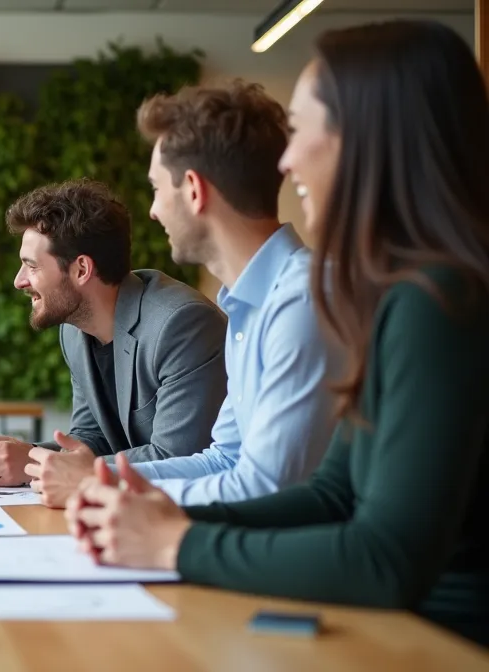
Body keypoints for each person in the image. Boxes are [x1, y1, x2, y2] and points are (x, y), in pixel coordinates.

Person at [64, 20, 489, 647]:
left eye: (303, 129)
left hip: (432, 642)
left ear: (370, 138)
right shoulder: (402, 294)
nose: (287, 163)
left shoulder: (441, 300)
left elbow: (384, 559)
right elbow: (331, 492)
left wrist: (176, 542)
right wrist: (164, 518)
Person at [27, 82, 337, 507]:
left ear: (193, 189)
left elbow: (266, 487)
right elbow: (222, 460)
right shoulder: (250, 304)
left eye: (157, 188)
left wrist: (98, 485)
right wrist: (100, 477)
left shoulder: (300, 302)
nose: (152, 211)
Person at [0, 179, 226, 491]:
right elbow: (92, 440)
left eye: (31, 266)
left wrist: (35, 462)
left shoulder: (181, 325)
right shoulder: (74, 332)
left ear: (81, 270)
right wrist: (25, 459)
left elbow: (176, 456)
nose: (18, 281)